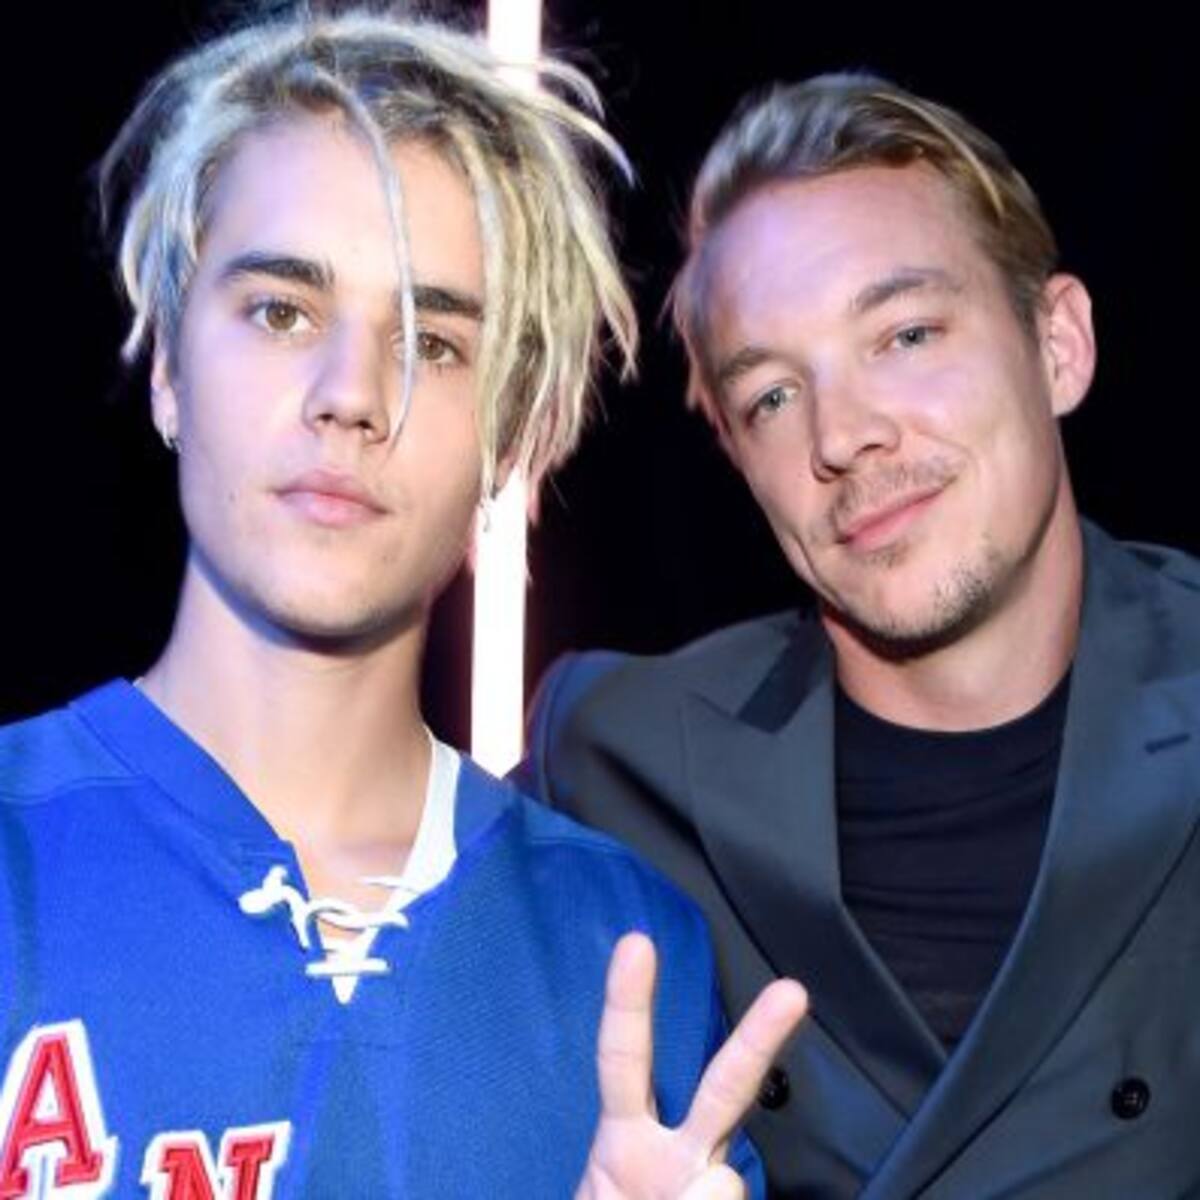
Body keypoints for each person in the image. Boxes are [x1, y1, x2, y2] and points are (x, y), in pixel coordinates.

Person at [0, 9, 806, 1197]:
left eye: (432, 344)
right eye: (281, 310)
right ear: (169, 363)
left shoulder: (629, 953)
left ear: (509, 433)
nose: (351, 393)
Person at [520, 73, 1200, 1197]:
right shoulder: (611, 764)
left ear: (1059, 345)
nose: (843, 435)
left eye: (906, 335)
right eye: (773, 398)